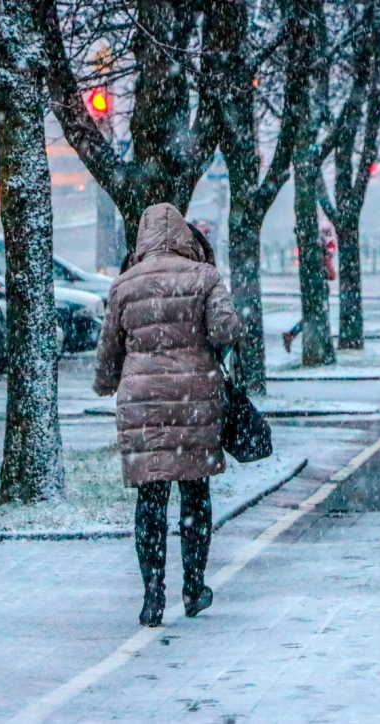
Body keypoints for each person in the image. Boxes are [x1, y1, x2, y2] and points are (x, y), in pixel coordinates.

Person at [94, 202, 241, 627]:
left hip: (144, 405)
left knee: (151, 498)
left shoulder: (124, 285)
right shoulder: (204, 278)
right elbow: (226, 329)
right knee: (194, 495)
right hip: (195, 400)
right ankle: (194, 586)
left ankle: (152, 593)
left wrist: (107, 382)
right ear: (183, 236)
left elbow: (109, 349)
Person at [282, 221, 338, 353]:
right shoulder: (327, 247)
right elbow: (330, 272)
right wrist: (331, 272)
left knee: (311, 315)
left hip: (311, 286)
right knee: (315, 316)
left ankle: (293, 334)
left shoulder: (311, 245)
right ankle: (294, 335)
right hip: (320, 287)